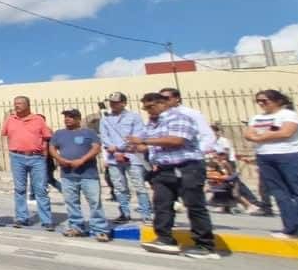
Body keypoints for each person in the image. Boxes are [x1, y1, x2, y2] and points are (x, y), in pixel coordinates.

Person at [128, 93, 219, 260]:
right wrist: (138, 147)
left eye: (150, 107)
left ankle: (205, 245)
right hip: (164, 168)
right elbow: (153, 145)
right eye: (145, 108)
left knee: (194, 206)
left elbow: (176, 141)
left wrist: (145, 142)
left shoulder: (178, 117)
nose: (148, 111)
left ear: (162, 103)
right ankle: (165, 238)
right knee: (162, 204)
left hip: (187, 167)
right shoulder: (152, 124)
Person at [244, 90, 298, 246]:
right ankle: (291, 228)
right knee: (279, 193)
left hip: (290, 155)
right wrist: (267, 134)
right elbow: (248, 134)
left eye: (265, 100)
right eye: (258, 101)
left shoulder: (288, 115)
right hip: (265, 156)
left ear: (278, 101)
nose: (261, 103)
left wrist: (261, 136)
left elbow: (286, 132)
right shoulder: (256, 117)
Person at [51, 109, 110, 242]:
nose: (67, 119)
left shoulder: (89, 132)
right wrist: (59, 159)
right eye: (66, 117)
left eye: (71, 117)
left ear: (78, 119)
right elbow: (52, 148)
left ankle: (100, 229)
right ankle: (76, 226)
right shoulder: (59, 133)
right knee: (71, 202)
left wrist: (82, 160)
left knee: (94, 202)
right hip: (67, 174)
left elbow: (96, 148)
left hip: (88, 174)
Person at [2, 96, 54, 230]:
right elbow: (5, 134)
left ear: (28, 105)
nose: (17, 106)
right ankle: (21, 218)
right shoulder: (10, 119)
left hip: (36, 158)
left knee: (40, 189)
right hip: (17, 157)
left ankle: (46, 220)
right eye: (15, 104)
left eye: (20, 103)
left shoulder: (38, 120)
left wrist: (45, 153)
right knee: (19, 189)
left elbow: (46, 138)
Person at [99, 91, 150, 224]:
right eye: (111, 102)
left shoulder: (134, 117)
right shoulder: (106, 119)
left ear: (124, 103)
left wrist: (120, 148)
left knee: (139, 185)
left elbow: (137, 135)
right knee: (119, 187)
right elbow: (104, 136)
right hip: (113, 157)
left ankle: (146, 214)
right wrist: (114, 150)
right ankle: (124, 212)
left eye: (116, 102)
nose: (113, 105)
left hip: (132, 156)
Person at [159, 88, 216, 155]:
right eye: (160, 99)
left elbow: (208, 135)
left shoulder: (190, 113)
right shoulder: (160, 116)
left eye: (166, 98)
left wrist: (198, 152)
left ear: (177, 98)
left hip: (189, 157)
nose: (163, 101)